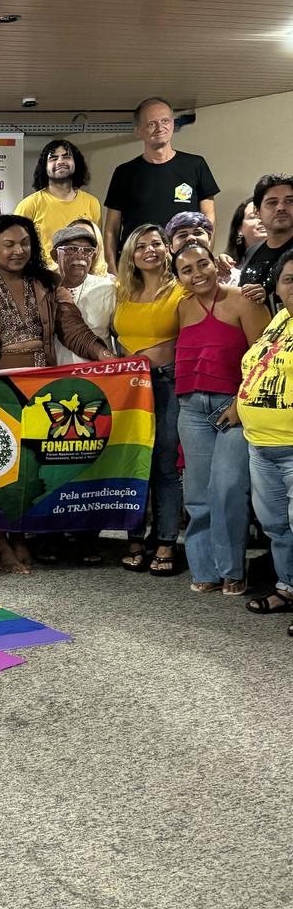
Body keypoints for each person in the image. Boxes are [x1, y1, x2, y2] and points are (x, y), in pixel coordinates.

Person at [0, 214, 115, 575]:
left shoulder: (49, 283)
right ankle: (1, 542)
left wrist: (105, 356)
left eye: (24, 243)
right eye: (8, 244)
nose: (18, 250)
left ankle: (19, 535)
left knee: (30, 466)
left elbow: (72, 328)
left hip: (39, 389)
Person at [172, 242, 270, 595]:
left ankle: (232, 568)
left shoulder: (244, 299)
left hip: (233, 406)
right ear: (179, 278)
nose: (198, 274)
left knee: (228, 488)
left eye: (203, 264)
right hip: (191, 409)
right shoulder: (182, 307)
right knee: (197, 493)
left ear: (217, 263)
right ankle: (204, 568)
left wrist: (241, 404)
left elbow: (264, 360)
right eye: (187, 270)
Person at [111, 224, 187, 576]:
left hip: (167, 383)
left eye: (156, 243)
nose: (150, 250)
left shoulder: (182, 289)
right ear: (131, 254)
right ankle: (135, 537)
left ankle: (167, 540)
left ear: (167, 249)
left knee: (164, 466)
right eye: (141, 246)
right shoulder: (122, 291)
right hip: (129, 387)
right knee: (133, 461)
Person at [236, 252, 293, 621]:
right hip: (260, 444)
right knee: (275, 526)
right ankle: (288, 587)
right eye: (289, 279)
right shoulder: (279, 321)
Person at [103, 96, 220, 260]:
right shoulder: (124, 173)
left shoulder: (195, 165)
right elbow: (111, 229)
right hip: (137, 265)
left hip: (184, 262)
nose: (160, 128)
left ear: (172, 124)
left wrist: (203, 256)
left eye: (165, 121)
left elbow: (209, 218)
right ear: (138, 131)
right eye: (152, 124)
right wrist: (112, 270)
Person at [14, 140, 102, 267]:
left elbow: (96, 249)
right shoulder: (29, 205)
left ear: (76, 163)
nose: (60, 161)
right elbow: (18, 248)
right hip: (42, 279)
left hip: (81, 277)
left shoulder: (92, 203)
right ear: (44, 167)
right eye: (53, 158)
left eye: (66, 156)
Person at [51, 223, 116, 366]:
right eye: (72, 249)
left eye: (87, 251)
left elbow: (122, 337)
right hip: (54, 381)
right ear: (55, 255)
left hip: (98, 378)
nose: (80, 255)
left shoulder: (107, 289)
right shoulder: (43, 288)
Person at [238, 174, 293, 315]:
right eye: (272, 202)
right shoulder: (252, 251)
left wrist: (268, 294)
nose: (281, 207)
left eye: (289, 201)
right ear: (257, 211)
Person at [165, 211, 239, 282]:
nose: (191, 238)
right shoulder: (164, 284)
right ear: (171, 247)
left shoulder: (230, 275)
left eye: (197, 233)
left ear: (209, 240)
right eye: (182, 235)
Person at [226, 196, 266, 262]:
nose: (261, 220)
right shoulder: (226, 266)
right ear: (239, 229)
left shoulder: (286, 261)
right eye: (253, 217)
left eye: (265, 216)